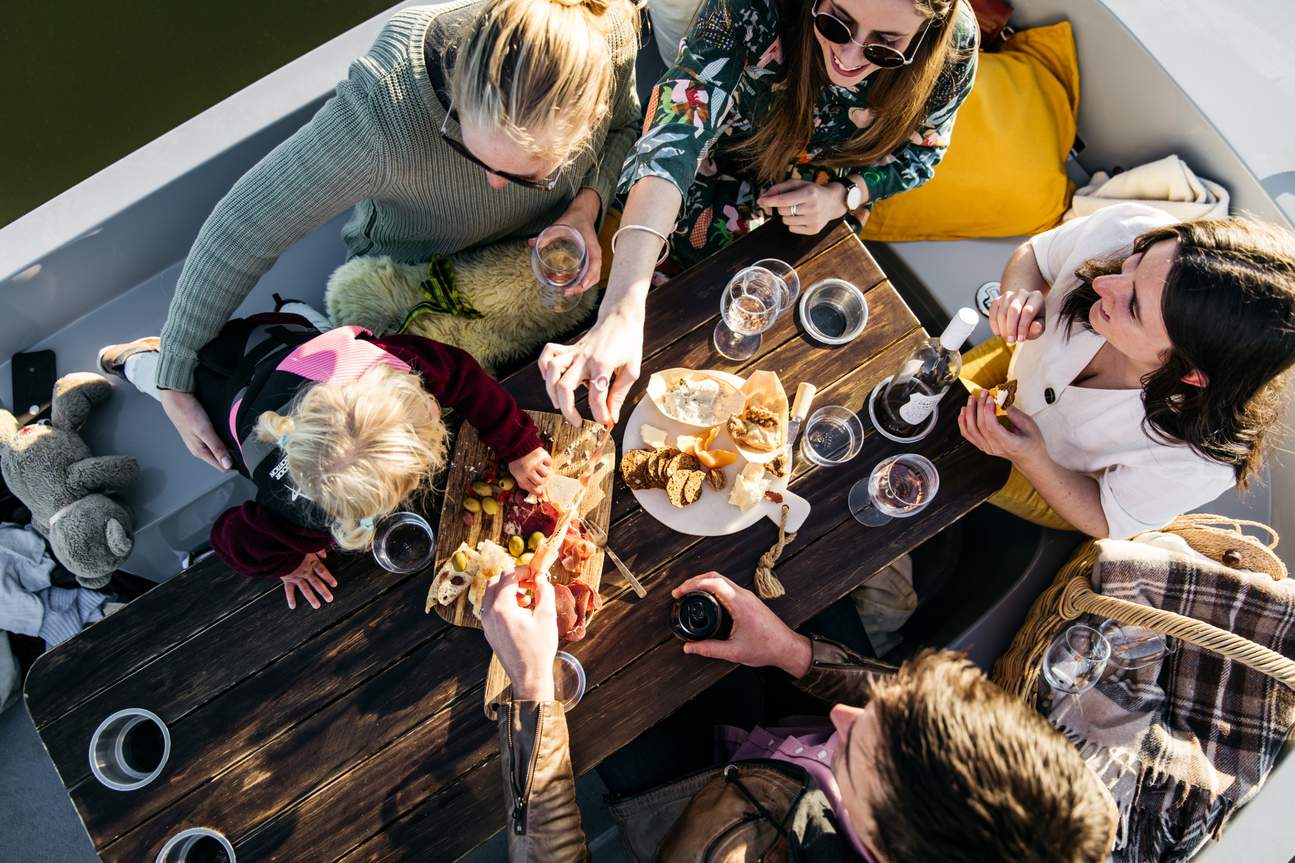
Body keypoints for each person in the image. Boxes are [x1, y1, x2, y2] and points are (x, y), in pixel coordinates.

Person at [156, 0, 641, 471]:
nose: (494, 184)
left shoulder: (606, 28)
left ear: (590, 115)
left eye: (525, 174)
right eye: (470, 151)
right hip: (412, 274)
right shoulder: (384, 109)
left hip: (543, 251)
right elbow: (243, 226)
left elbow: (625, 125)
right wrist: (174, 378)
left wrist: (586, 205)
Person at [540, 0, 979, 426]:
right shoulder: (751, 6)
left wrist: (844, 195)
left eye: (885, 45)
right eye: (837, 24)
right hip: (708, 176)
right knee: (663, 330)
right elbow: (676, 134)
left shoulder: (955, 46)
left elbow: (922, 155)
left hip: (819, 209)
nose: (849, 58)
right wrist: (622, 308)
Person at [481, 570, 1117, 861]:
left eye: (855, 751)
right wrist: (790, 651)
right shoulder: (1059, 809)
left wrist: (532, 690)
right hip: (770, 749)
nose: (839, 715)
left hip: (689, 796)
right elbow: (893, 705)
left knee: (604, 679)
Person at [97, 321, 550, 609]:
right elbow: (231, 540)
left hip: (272, 340)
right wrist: (289, 561)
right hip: (224, 403)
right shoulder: (297, 513)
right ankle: (136, 360)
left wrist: (517, 444)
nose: (437, 406)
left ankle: (288, 317)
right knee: (168, 384)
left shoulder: (396, 362)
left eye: (428, 406)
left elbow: (466, 379)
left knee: (295, 327)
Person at [958, 202, 1295, 539]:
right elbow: (1035, 254)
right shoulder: (1130, 227)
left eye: (1133, 307)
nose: (1103, 284)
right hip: (1019, 355)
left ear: (1189, 373)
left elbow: (1105, 519)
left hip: (1054, 478)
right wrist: (1018, 295)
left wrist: (1031, 458)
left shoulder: (1199, 461)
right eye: (1133, 262)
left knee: (944, 455)